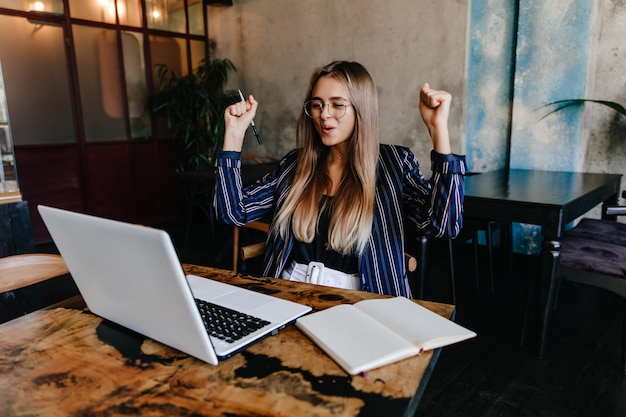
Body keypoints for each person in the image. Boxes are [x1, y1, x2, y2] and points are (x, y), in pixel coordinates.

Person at [213, 60, 465, 297]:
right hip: (288, 294)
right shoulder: (296, 164)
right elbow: (234, 212)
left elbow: (444, 224)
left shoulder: (394, 163)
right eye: (317, 104)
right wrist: (234, 136)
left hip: (364, 301)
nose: (324, 114)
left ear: (361, 109)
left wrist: (438, 130)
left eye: (337, 104)